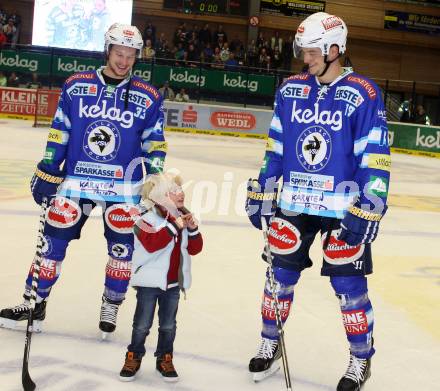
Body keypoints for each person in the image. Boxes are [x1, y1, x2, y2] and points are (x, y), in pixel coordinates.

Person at [245, 12, 390, 391]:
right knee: (279, 277)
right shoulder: (291, 89)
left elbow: (374, 157)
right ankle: (269, 340)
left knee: (349, 287)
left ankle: (361, 360)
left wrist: (369, 203)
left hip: (344, 206)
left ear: (334, 49)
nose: (304, 58)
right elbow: (276, 147)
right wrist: (264, 187)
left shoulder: (363, 92)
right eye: (303, 50)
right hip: (295, 201)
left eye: (311, 51)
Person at [0, 23, 167, 337]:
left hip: (123, 188)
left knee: (121, 250)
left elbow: (155, 143)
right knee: (52, 243)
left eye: (131, 56)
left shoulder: (148, 96)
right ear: (108, 50)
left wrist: (155, 176)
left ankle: (111, 304)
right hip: (76, 181)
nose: (124, 61)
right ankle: (34, 302)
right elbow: (60, 130)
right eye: (119, 53)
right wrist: (49, 167)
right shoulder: (76, 86)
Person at [119, 172, 203, 382]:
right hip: (149, 283)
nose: (180, 193)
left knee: (168, 325)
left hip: (173, 284)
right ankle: (134, 355)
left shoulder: (183, 217)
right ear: (158, 196)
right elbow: (152, 244)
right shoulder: (144, 220)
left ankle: (164, 357)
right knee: (142, 325)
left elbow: (195, 249)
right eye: (172, 191)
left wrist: (192, 230)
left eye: (179, 189)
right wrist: (175, 226)